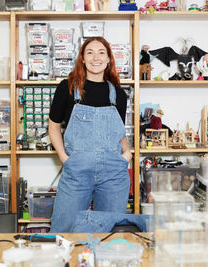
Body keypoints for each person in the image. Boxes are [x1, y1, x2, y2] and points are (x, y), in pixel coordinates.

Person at [48, 37, 132, 233]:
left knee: (108, 233)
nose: (96, 57)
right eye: (90, 52)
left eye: (102, 52)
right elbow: (53, 128)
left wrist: (127, 153)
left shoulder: (118, 94)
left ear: (109, 59)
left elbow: (118, 132)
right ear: (82, 59)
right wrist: (64, 158)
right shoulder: (67, 88)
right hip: (77, 171)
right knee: (63, 230)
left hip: (113, 174)